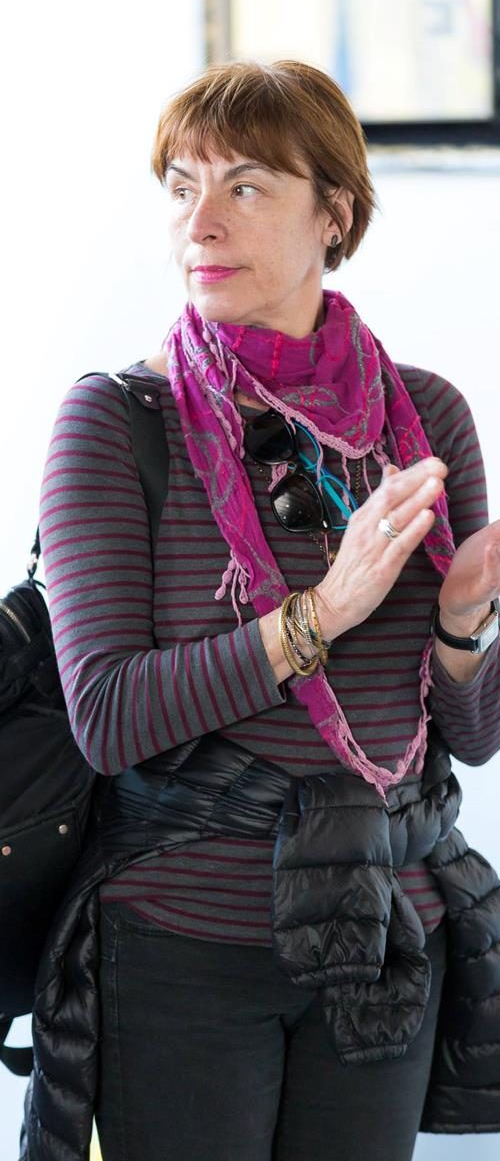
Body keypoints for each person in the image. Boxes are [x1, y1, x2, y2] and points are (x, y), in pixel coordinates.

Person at [34, 59, 500, 1161]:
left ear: (333, 212)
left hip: (386, 932)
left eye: (243, 185)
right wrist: (321, 612)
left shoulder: (426, 417)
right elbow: (106, 716)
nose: (199, 221)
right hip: (182, 941)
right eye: (181, 186)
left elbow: (472, 738)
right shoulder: (115, 421)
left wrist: (459, 627)